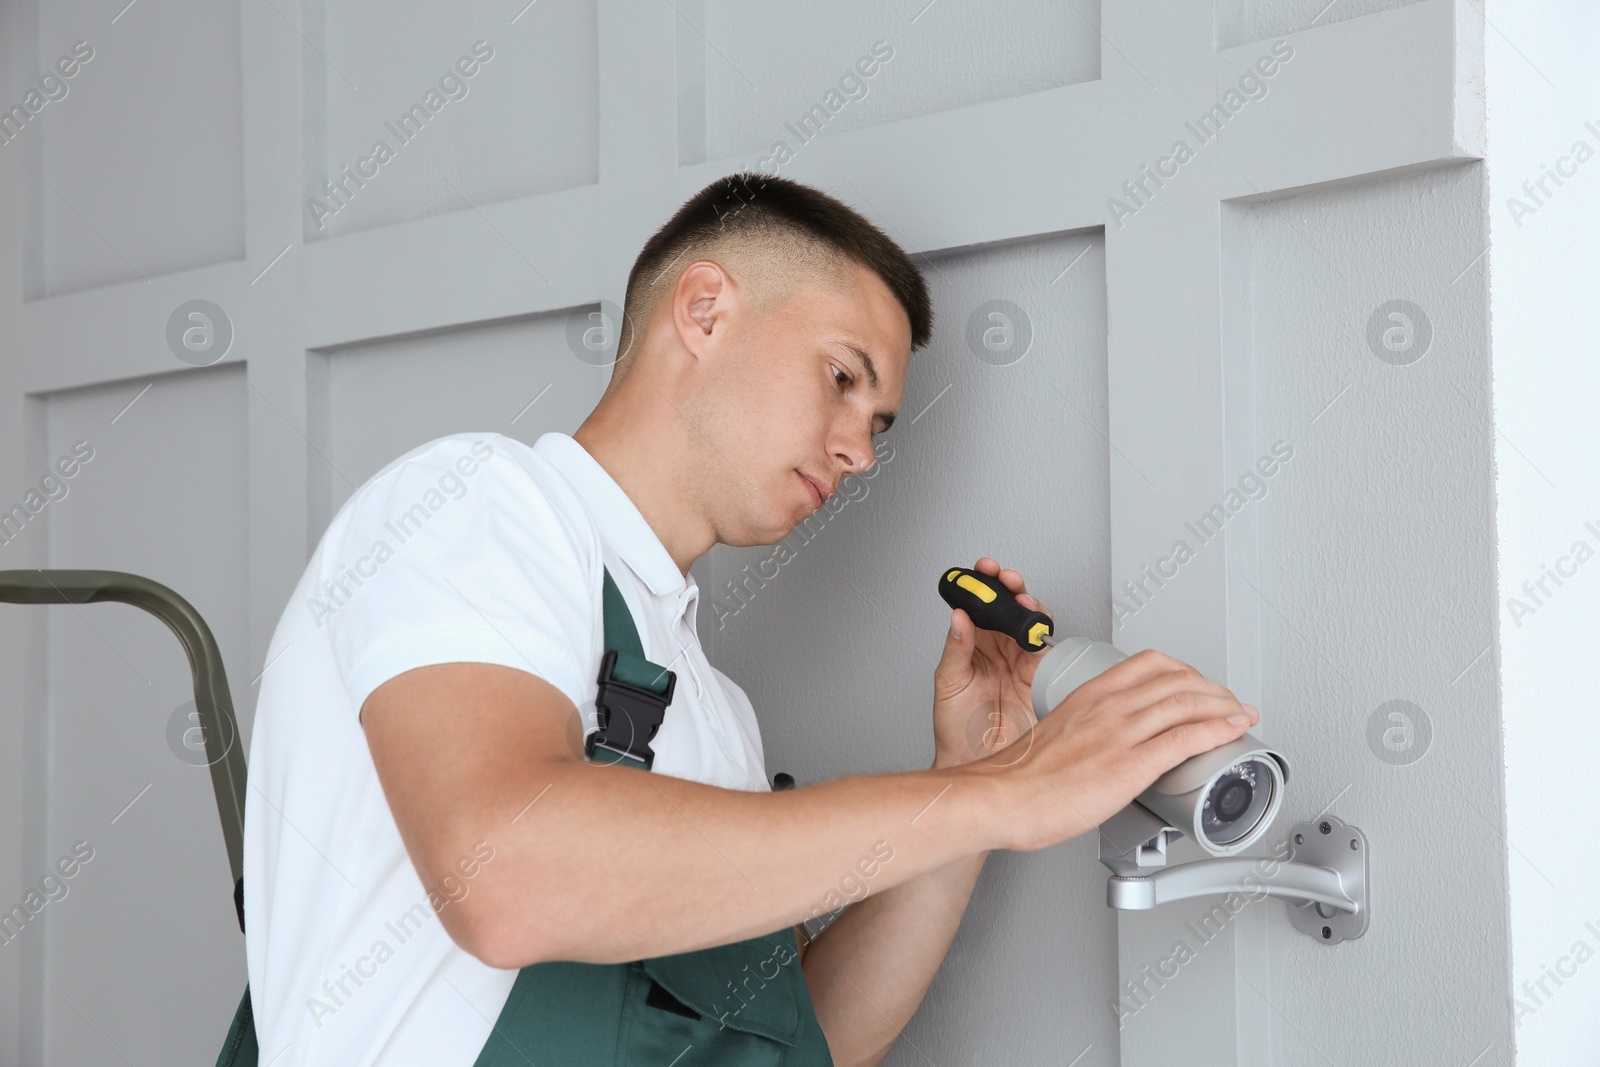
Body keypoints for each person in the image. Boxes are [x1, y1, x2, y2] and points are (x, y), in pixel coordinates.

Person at [241, 171, 1258, 1066]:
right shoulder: (472, 502)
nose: (858, 449)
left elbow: (806, 1035)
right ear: (706, 309)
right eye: (842, 376)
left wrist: (962, 783)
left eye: (878, 425)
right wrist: (1008, 793)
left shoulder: (714, 712)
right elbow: (504, 872)